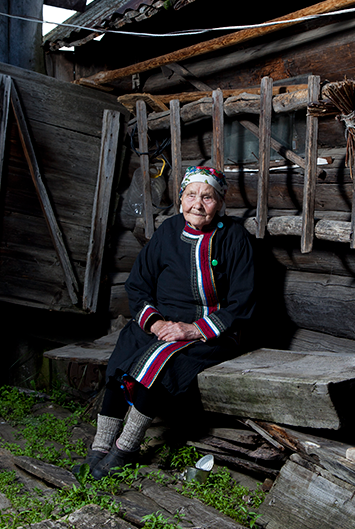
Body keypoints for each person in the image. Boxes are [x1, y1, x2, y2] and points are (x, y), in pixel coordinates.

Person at [79, 166, 256, 479]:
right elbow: (138, 284)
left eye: (207, 197)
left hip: (211, 330)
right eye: (191, 196)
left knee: (162, 362)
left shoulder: (235, 238)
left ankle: (125, 449)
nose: (197, 204)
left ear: (220, 202)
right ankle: (100, 446)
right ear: (180, 199)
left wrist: (192, 330)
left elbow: (243, 302)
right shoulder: (168, 231)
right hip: (164, 321)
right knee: (126, 349)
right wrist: (155, 324)